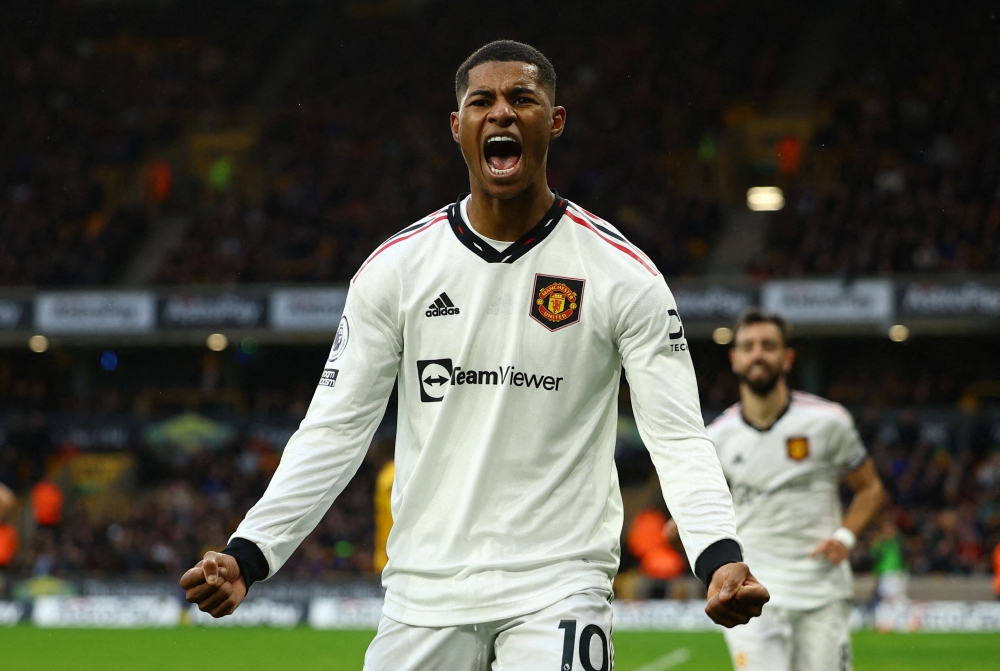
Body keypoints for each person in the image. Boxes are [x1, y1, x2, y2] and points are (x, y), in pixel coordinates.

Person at [181, 40, 768, 669]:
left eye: (523, 98)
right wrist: (250, 551)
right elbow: (335, 428)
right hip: (424, 590)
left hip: (559, 584)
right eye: (482, 101)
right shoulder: (397, 269)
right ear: (457, 126)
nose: (502, 112)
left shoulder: (624, 275)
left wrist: (718, 553)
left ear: (555, 121)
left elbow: (677, 435)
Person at [669, 309, 884, 671]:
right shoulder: (716, 437)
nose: (758, 354)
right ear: (734, 358)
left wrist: (845, 537)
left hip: (821, 593)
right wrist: (686, 529)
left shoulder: (828, 422)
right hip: (750, 590)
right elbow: (702, 509)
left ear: (787, 358)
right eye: (748, 346)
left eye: (768, 345)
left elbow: (871, 488)